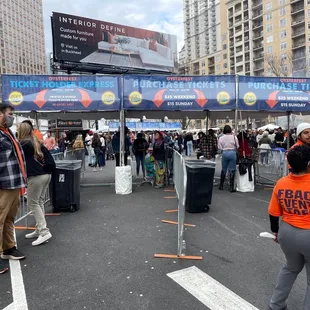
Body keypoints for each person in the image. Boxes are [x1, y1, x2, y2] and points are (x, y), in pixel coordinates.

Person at [268, 145, 310, 310]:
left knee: (290, 267)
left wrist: (276, 231)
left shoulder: (281, 183)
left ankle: (276, 304)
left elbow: (273, 212)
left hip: (287, 232)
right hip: (307, 233)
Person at [17, 122, 54, 246]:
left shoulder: (23, 144)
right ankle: (39, 229)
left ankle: (43, 231)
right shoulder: (36, 141)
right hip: (46, 174)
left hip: (36, 176)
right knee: (39, 202)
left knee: (33, 203)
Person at [0, 104, 26, 274]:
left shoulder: (7, 132)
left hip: (14, 182)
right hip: (4, 182)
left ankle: (8, 247)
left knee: (9, 217)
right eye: (9, 114)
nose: (12, 117)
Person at [218, 125, 239, 192]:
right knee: (232, 169)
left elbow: (219, 147)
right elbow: (237, 146)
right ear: (230, 130)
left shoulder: (221, 138)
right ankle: (231, 187)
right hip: (232, 153)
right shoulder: (234, 137)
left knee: (224, 169)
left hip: (224, 153)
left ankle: (221, 185)